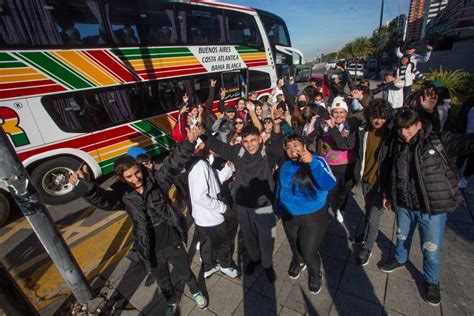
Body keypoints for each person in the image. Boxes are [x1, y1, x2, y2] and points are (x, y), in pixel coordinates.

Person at [69, 130, 208, 314]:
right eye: (129, 177)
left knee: (184, 272)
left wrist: (189, 143)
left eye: (137, 173)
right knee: (162, 280)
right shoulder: (123, 195)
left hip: (172, 240)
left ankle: (196, 291)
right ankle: (171, 302)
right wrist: (84, 187)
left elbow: (173, 163)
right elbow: (104, 200)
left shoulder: (157, 180)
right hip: (149, 247)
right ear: (121, 178)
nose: (136, 179)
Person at [380, 109, 474, 306]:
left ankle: (431, 281)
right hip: (405, 205)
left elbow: (466, 142)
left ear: (419, 125)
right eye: (401, 129)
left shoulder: (438, 140)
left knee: (430, 249)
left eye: (408, 128)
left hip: (431, 209)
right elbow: (391, 171)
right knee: (401, 237)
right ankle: (400, 258)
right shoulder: (397, 144)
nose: (404, 133)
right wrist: (388, 195)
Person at [194, 114, 284, 283]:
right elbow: (217, 145)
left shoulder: (267, 152)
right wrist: (202, 132)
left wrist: (277, 127)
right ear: (242, 141)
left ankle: (267, 264)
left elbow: (279, 149)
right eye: (246, 141)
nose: (250, 145)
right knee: (248, 238)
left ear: (260, 139)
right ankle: (255, 259)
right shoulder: (238, 151)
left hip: (264, 206)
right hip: (242, 206)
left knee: (266, 238)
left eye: (253, 140)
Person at [334, 99, 394, 266]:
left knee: (374, 216)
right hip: (366, 179)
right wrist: (332, 128)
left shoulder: (391, 133)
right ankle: (366, 234)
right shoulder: (362, 130)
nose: (378, 120)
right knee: (368, 210)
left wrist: (363, 98)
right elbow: (345, 144)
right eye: (375, 116)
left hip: (382, 182)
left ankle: (367, 248)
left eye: (382, 117)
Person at [275, 134, 336, 293]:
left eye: (296, 145)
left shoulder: (317, 161)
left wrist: (313, 163)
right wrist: (277, 208)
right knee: (295, 248)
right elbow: (280, 189)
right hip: (289, 216)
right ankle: (298, 261)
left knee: (308, 253)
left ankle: (315, 274)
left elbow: (329, 184)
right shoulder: (285, 165)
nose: (292, 150)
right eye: (288, 147)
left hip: (312, 217)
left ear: (304, 146)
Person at [188, 145, 240, 279]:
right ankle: (225, 265)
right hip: (212, 216)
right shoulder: (200, 166)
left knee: (207, 244)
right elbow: (200, 196)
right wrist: (222, 208)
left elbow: (214, 181)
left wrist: (229, 168)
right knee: (223, 243)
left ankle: (209, 267)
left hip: (203, 217)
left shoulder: (200, 163)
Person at [320, 97, 358, 223]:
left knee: (344, 191)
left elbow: (345, 145)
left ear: (346, 113)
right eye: (336, 112)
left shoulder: (351, 126)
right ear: (331, 113)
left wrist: (333, 129)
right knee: (330, 192)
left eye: (342, 112)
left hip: (348, 165)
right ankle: (326, 214)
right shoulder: (323, 125)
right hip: (330, 165)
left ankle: (340, 208)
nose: (338, 115)